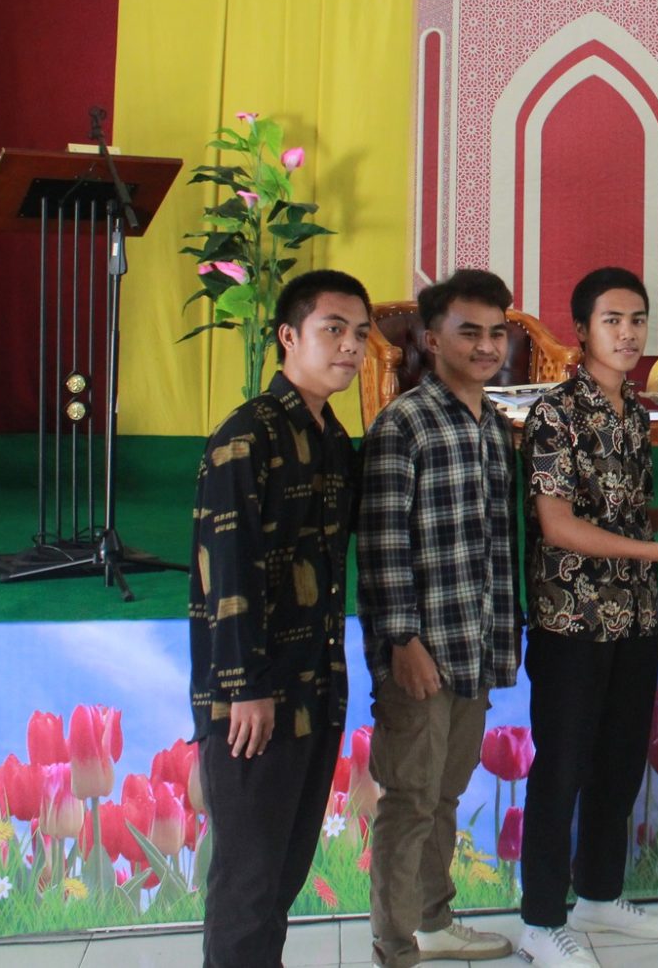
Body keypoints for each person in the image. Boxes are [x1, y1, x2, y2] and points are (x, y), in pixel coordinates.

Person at [515, 267, 658, 967]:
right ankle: (541, 921)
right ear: (581, 330)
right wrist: (655, 550)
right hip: (572, 622)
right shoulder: (554, 413)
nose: (628, 333)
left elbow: (623, 516)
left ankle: (599, 894)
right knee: (562, 767)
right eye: (612, 320)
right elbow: (558, 526)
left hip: (634, 617)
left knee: (620, 761)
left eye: (637, 320)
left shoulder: (634, 410)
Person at [190, 269, 372, 968]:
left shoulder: (332, 439)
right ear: (288, 337)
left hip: (314, 690)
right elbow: (229, 574)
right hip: (253, 700)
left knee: (282, 876)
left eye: (360, 334)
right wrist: (246, 687)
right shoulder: (247, 438)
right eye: (334, 329)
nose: (351, 346)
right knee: (248, 881)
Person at [358, 269, 523, 967]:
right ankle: (394, 946)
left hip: (474, 643)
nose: (487, 347)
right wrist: (403, 640)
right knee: (410, 798)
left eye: (497, 333)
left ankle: (433, 921)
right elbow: (383, 542)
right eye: (469, 332)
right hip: (420, 651)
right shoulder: (404, 423)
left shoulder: (495, 426)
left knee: (446, 793)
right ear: (431, 339)